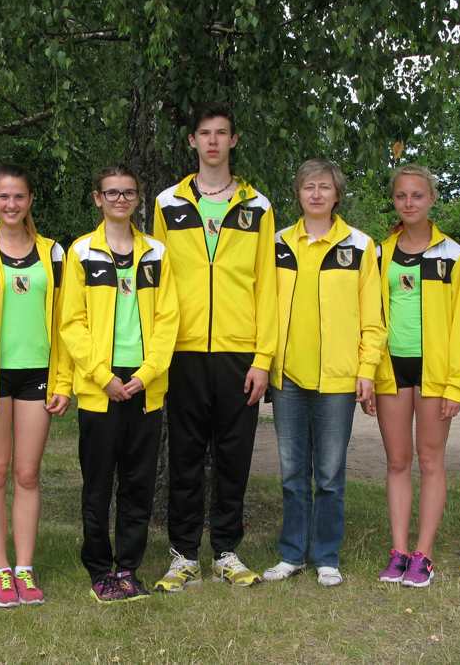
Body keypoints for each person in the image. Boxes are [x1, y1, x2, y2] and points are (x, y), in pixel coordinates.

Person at [152, 100, 278, 590]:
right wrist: (158, 352)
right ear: (192, 141)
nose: (212, 141)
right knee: (185, 456)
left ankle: (226, 552)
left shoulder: (257, 206)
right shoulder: (167, 203)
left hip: (239, 353)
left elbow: (267, 287)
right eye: (204, 133)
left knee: (233, 455)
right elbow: (156, 281)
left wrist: (263, 359)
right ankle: (183, 555)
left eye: (221, 133)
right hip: (182, 351)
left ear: (233, 141)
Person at [0, 165, 72, 607]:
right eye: (3, 196)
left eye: (19, 196)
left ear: (30, 200)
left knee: (27, 473)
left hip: (38, 375)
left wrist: (64, 380)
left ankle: (24, 568)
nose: (11, 204)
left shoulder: (54, 254)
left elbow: (65, 322)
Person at [262, 159, 385, 587]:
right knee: (292, 473)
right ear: (297, 193)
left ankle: (327, 556)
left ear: (337, 194)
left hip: (338, 377)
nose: (316, 194)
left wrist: (367, 368)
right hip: (287, 378)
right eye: (308, 186)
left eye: (325, 187)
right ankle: (292, 554)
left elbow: (373, 318)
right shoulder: (276, 243)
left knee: (330, 476)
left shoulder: (360, 246)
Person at [61, 164, 179, 602]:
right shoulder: (81, 252)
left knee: (138, 484)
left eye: (128, 193)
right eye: (111, 193)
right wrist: (103, 376)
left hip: (145, 386)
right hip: (101, 386)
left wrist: (146, 374)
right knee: (97, 486)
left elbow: (168, 320)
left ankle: (128, 568)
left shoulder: (156, 253)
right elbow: (71, 323)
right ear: (98, 198)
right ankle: (99, 570)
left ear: (138, 198)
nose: (120, 200)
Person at [366, 164, 460, 588]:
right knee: (397, 462)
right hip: (391, 369)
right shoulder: (379, 253)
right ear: (393, 200)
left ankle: (423, 555)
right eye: (401, 196)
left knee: (429, 461)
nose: (409, 203)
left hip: (435, 371)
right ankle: (399, 552)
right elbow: (369, 316)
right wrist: (368, 372)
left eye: (417, 195)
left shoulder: (452, 254)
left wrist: (456, 384)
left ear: (432, 199)